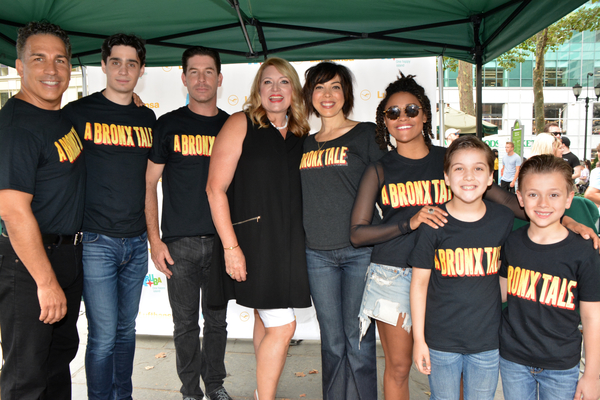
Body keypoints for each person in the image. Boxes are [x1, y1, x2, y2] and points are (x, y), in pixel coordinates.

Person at [349, 73, 598, 400]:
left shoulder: (453, 159)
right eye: (393, 113)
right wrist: (409, 223)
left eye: (411, 109)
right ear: (384, 120)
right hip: (396, 274)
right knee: (399, 367)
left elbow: (520, 204)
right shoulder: (379, 168)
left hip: (454, 278)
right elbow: (357, 233)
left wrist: (568, 220)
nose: (403, 118)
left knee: (464, 372)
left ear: (425, 113)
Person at [206, 57, 311, 400]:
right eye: (268, 82)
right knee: (284, 325)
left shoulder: (301, 133)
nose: (275, 89)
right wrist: (231, 248)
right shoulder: (241, 123)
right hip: (254, 244)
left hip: (290, 244)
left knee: (266, 321)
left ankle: (260, 390)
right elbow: (214, 189)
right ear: (257, 90)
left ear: (294, 90)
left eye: (283, 82)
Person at [62, 33, 156, 400]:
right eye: (115, 61)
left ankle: (124, 396)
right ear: (103, 65)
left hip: (136, 242)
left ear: (141, 69)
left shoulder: (147, 116)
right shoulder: (77, 113)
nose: (123, 69)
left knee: (126, 331)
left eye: (132, 63)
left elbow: (151, 182)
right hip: (95, 241)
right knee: (102, 336)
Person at [0, 21, 85, 400]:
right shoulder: (16, 128)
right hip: (29, 264)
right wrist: (45, 281)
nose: (51, 70)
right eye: (39, 59)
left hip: (65, 254)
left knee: (57, 358)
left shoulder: (59, 116)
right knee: (26, 373)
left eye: (60, 60)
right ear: (19, 66)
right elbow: (13, 210)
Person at [145, 47, 231, 400]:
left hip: (220, 240)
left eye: (208, 71)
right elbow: (149, 183)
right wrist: (155, 240)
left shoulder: (232, 125)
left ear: (220, 79)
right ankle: (190, 392)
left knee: (217, 323)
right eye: (193, 72)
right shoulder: (168, 124)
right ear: (183, 78)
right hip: (178, 244)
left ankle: (215, 386)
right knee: (184, 325)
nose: (201, 79)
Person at [299, 61, 386, 399]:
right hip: (316, 254)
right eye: (320, 87)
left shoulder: (366, 134)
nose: (327, 94)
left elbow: (392, 184)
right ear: (310, 95)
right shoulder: (303, 144)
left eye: (335, 86)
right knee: (332, 343)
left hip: (359, 254)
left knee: (359, 341)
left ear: (346, 93)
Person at [409, 136, 513, 399]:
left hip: (487, 342)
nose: (469, 176)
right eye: (459, 168)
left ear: (491, 177)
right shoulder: (433, 222)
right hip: (441, 342)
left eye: (478, 168)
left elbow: (510, 271)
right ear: (446, 176)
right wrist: (419, 340)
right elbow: (419, 284)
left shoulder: (503, 219)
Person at [499, 154, 600, 400]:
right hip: (513, 360)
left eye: (554, 194)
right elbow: (497, 292)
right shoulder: (512, 242)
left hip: (562, 365)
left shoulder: (585, 250)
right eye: (533, 194)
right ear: (520, 198)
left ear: (568, 199)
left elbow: (592, 316)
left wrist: (592, 376)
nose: (543, 203)